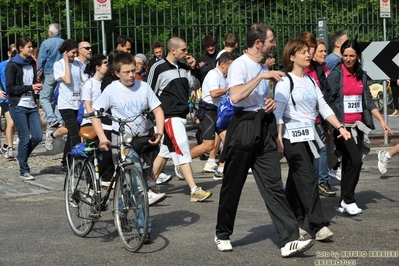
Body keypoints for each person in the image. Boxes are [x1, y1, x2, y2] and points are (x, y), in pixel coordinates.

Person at [214, 23, 313, 257]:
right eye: (271, 40)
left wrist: (267, 104)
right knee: (233, 185)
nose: (274, 44)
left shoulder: (259, 67)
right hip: (243, 129)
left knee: (274, 185)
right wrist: (262, 78)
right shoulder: (240, 65)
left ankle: (289, 238)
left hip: (263, 126)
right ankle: (222, 234)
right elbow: (236, 96)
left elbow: (256, 100)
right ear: (258, 43)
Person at [275, 38, 352, 243]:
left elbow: (324, 107)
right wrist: (278, 140)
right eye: (302, 52)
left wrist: (340, 127)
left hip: (310, 135)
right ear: (291, 57)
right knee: (308, 177)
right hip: (292, 138)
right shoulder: (284, 82)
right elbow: (279, 114)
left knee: (296, 179)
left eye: (308, 52)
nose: (308, 55)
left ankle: (292, 221)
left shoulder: (310, 80)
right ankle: (318, 225)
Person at [90, 52, 166, 238]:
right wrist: (102, 137)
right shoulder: (111, 90)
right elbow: (95, 114)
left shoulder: (144, 86)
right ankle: (143, 229)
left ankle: (120, 208)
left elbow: (158, 110)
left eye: (133, 71)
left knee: (138, 184)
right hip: (123, 141)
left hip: (144, 139)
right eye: (126, 72)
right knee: (138, 186)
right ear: (117, 73)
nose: (131, 75)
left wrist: (159, 131)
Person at [327, 39, 392, 215]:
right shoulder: (335, 75)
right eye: (345, 55)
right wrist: (334, 127)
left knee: (350, 162)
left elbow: (368, 101)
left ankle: (344, 201)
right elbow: (328, 101)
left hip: (358, 126)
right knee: (355, 161)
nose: (348, 59)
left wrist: (382, 121)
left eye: (352, 56)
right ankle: (349, 199)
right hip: (341, 127)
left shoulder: (361, 74)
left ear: (357, 57)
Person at [147, 37, 213, 202]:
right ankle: (194, 189)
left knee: (164, 152)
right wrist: (152, 115)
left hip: (180, 114)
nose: (186, 52)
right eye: (183, 50)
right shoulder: (158, 67)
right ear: (173, 50)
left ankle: (149, 183)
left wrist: (195, 68)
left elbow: (195, 85)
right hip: (168, 115)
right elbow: (149, 91)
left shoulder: (184, 67)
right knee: (182, 148)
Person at [299, 33, 336, 197]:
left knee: (321, 149)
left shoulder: (318, 68)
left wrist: (330, 122)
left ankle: (321, 181)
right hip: (301, 119)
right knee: (304, 153)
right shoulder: (297, 69)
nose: (311, 53)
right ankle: (301, 185)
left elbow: (324, 93)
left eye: (312, 49)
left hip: (317, 117)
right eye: (309, 49)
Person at [190, 52, 236, 179]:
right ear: (222, 64)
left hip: (219, 111)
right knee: (208, 145)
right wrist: (230, 89)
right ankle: (183, 161)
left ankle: (221, 169)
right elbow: (214, 93)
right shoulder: (213, 74)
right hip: (208, 110)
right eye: (231, 66)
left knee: (230, 141)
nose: (233, 69)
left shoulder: (225, 76)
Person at [6, 37, 43, 180]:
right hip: (18, 105)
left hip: (31, 104)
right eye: (28, 47)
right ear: (21, 48)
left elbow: (32, 81)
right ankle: (24, 170)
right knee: (24, 137)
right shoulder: (13, 65)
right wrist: (30, 87)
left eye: (31, 46)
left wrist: (36, 87)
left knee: (38, 136)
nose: (31, 49)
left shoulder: (31, 62)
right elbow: (10, 88)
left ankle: (21, 157)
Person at [53, 39, 87, 170]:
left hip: (77, 103)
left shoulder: (79, 64)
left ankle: (65, 161)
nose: (75, 55)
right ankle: (75, 161)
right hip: (65, 103)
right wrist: (67, 62)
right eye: (73, 53)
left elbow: (85, 81)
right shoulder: (59, 64)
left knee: (73, 132)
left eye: (76, 53)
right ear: (66, 53)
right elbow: (67, 80)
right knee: (75, 132)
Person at [38, 23, 64, 128]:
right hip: (61, 73)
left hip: (49, 72)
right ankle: (59, 118)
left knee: (44, 97)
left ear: (50, 32)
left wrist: (38, 72)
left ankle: (51, 117)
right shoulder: (63, 43)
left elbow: (41, 60)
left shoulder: (45, 43)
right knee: (58, 97)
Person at [0, 44, 17, 160]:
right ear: (9, 53)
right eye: (14, 52)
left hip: (15, 98)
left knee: (13, 124)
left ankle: (5, 145)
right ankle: (10, 150)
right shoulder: (2, 65)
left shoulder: (19, 65)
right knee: (10, 122)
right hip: (4, 98)